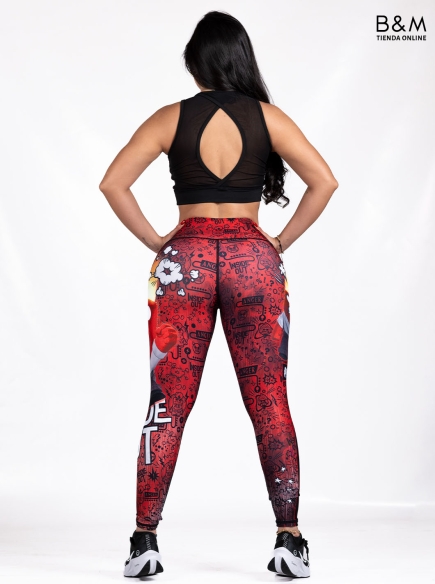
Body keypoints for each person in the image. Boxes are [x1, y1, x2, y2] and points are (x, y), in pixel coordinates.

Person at [99, 10, 338, 579]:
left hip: (185, 263)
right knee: (270, 399)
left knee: (167, 402)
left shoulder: (170, 118)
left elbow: (112, 183)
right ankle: (289, 542)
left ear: (196, 65)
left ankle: (145, 541)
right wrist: (278, 241)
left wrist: (158, 240)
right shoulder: (268, 118)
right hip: (255, 263)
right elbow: (325, 180)